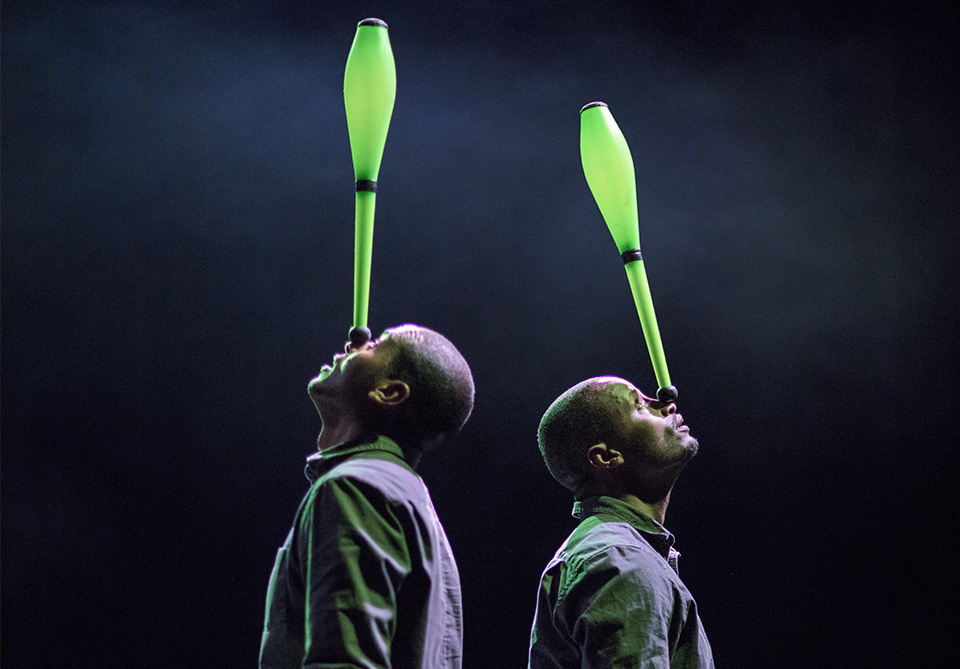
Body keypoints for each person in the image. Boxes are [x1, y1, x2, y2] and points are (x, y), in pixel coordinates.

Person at [259, 323, 475, 669]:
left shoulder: (356, 486)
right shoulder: (408, 497)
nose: (355, 343)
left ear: (388, 392)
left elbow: (345, 661)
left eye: (374, 345)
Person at [528, 376, 713, 668]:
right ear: (607, 456)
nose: (666, 405)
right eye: (640, 405)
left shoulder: (611, 551)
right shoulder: (620, 559)